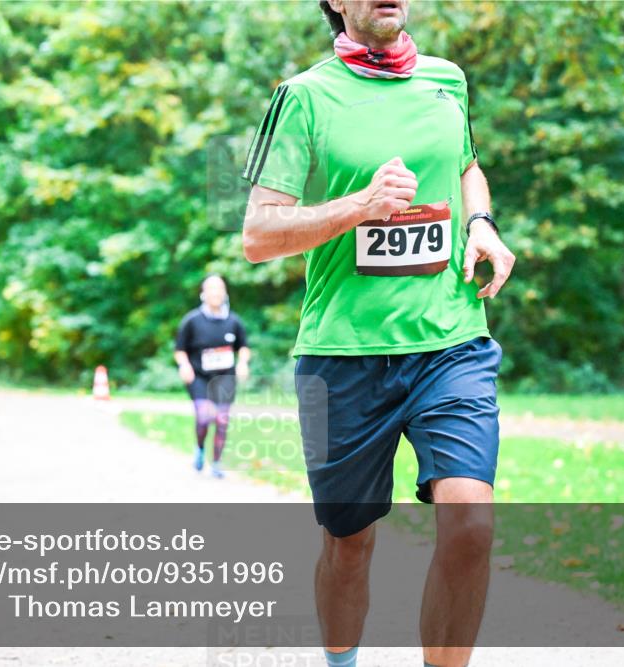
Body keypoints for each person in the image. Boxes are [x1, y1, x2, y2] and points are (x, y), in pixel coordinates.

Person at [241, 2, 516, 666]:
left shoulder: (448, 80)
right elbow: (258, 235)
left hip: (450, 341)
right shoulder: (303, 97)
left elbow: (466, 164)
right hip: (343, 354)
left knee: (470, 527)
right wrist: (361, 206)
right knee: (348, 543)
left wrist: (480, 222)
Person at [174, 275, 251, 479]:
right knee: (204, 417)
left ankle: (216, 462)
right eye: (211, 288)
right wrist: (184, 365)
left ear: (225, 293)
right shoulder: (192, 321)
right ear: (203, 294)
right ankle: (199, 448)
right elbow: (180, 349)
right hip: (199, 377)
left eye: (220, 288)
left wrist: (243, 363)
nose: (216, 292)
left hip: (225, 378)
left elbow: (243, 347)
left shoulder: (233, 321)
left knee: (222, 419)